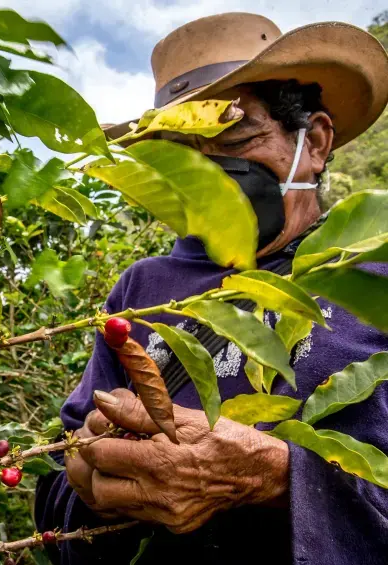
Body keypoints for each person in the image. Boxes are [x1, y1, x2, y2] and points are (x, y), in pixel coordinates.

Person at [35, 13, 388, 565]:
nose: (205, 175)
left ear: (314, 144)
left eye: (235, 135)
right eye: (178, 155)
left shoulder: (376, 279)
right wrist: (94, 481)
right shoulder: (141, 288)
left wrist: (275, 479)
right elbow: (58, 487)